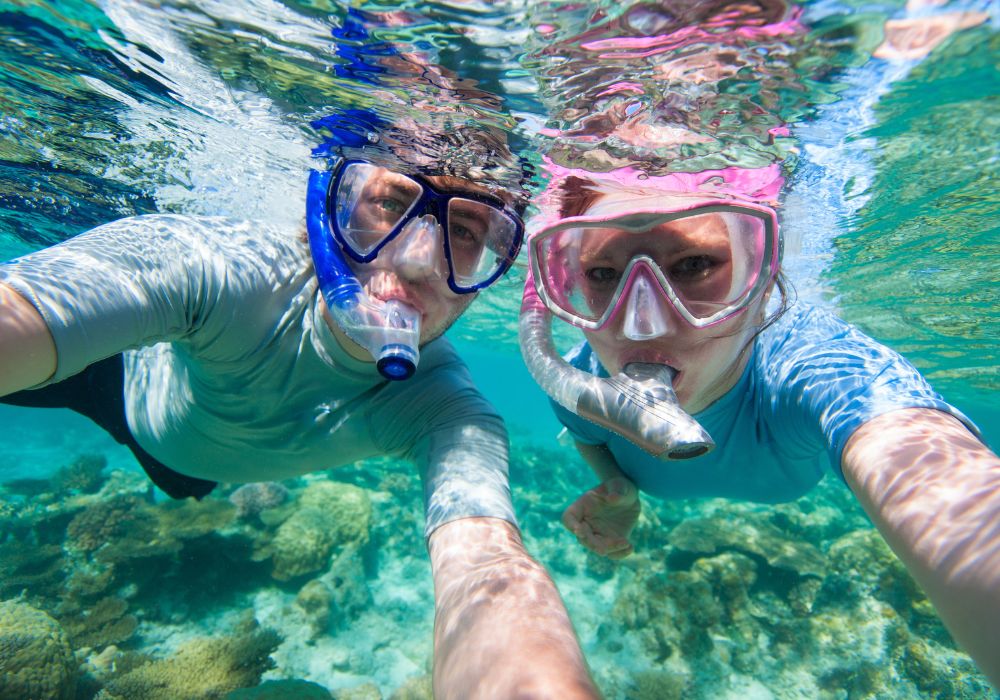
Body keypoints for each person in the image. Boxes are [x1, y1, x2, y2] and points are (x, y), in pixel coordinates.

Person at [0, 114, 601, 698]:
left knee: (187, 485)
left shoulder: (447, 409)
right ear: (330, 208)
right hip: (117, 385)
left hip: (189, 469)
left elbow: (483, 566)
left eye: (467, 232)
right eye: (390, 204)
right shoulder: (221, 272)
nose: (419, 261)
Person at [518, 162, 1000, 687]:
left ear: (762, 269)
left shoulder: (813, 364)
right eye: (603, 274)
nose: (641, 324)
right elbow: (589, 436)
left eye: (694, 263)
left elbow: (923, 462)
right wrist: (620, 491)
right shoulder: (578, 385)